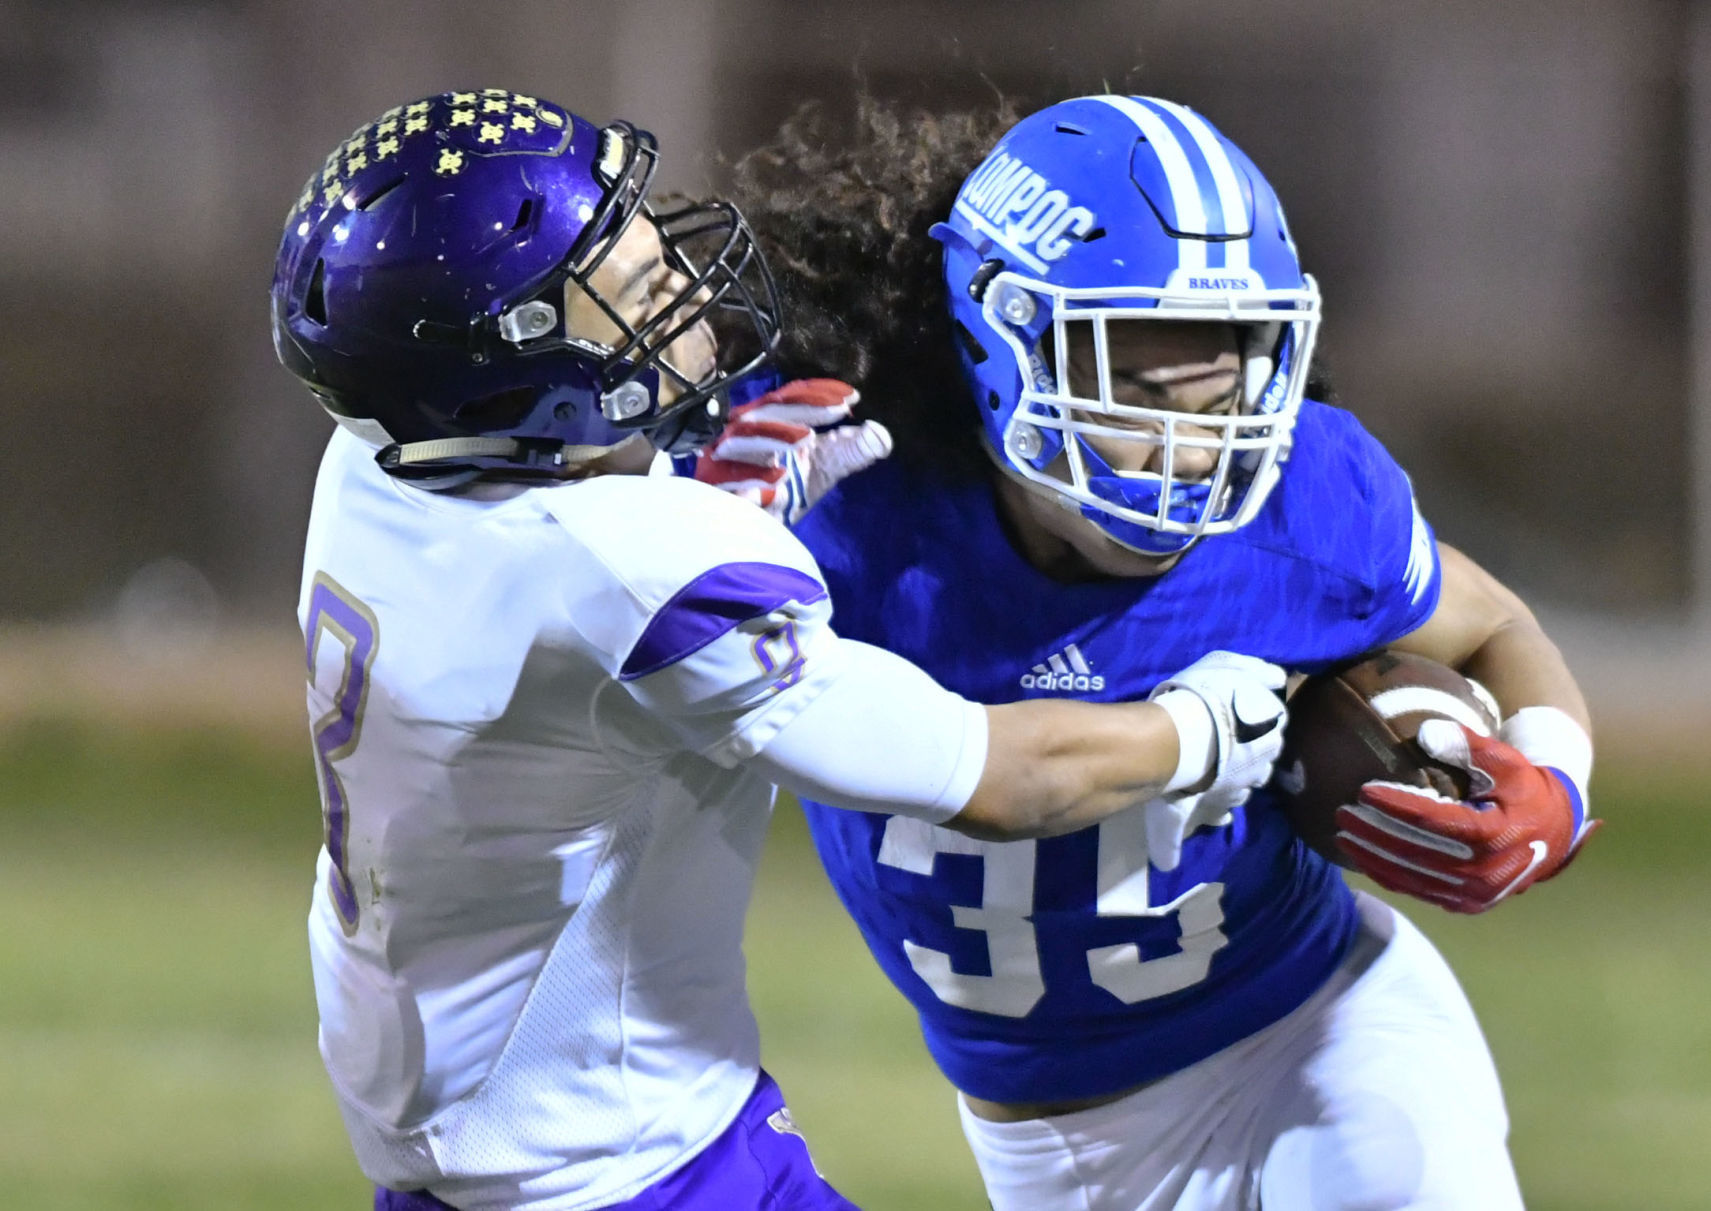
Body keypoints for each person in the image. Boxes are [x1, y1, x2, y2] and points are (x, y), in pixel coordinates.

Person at [270, 89, 1294, 1211]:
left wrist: (677, 492)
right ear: (514, 369)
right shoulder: (641, 570)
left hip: (451, 1140)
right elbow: (995, 776)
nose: (672, 267)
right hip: (624, 1170)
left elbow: (553, 558)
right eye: (629, 284)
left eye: (641, 231)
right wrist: (1195, 729)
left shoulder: (374, 461)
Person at [716, 94, 1602, 1209]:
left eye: (1223, 391)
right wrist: (686, 533)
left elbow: (1492, 624)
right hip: (1038, 1138)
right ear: (1000, 346)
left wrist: (1554, 775)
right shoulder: (839, 500)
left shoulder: (1302, 501)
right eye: (1128, 390)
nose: (1192, 452)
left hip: (1314, 1030)